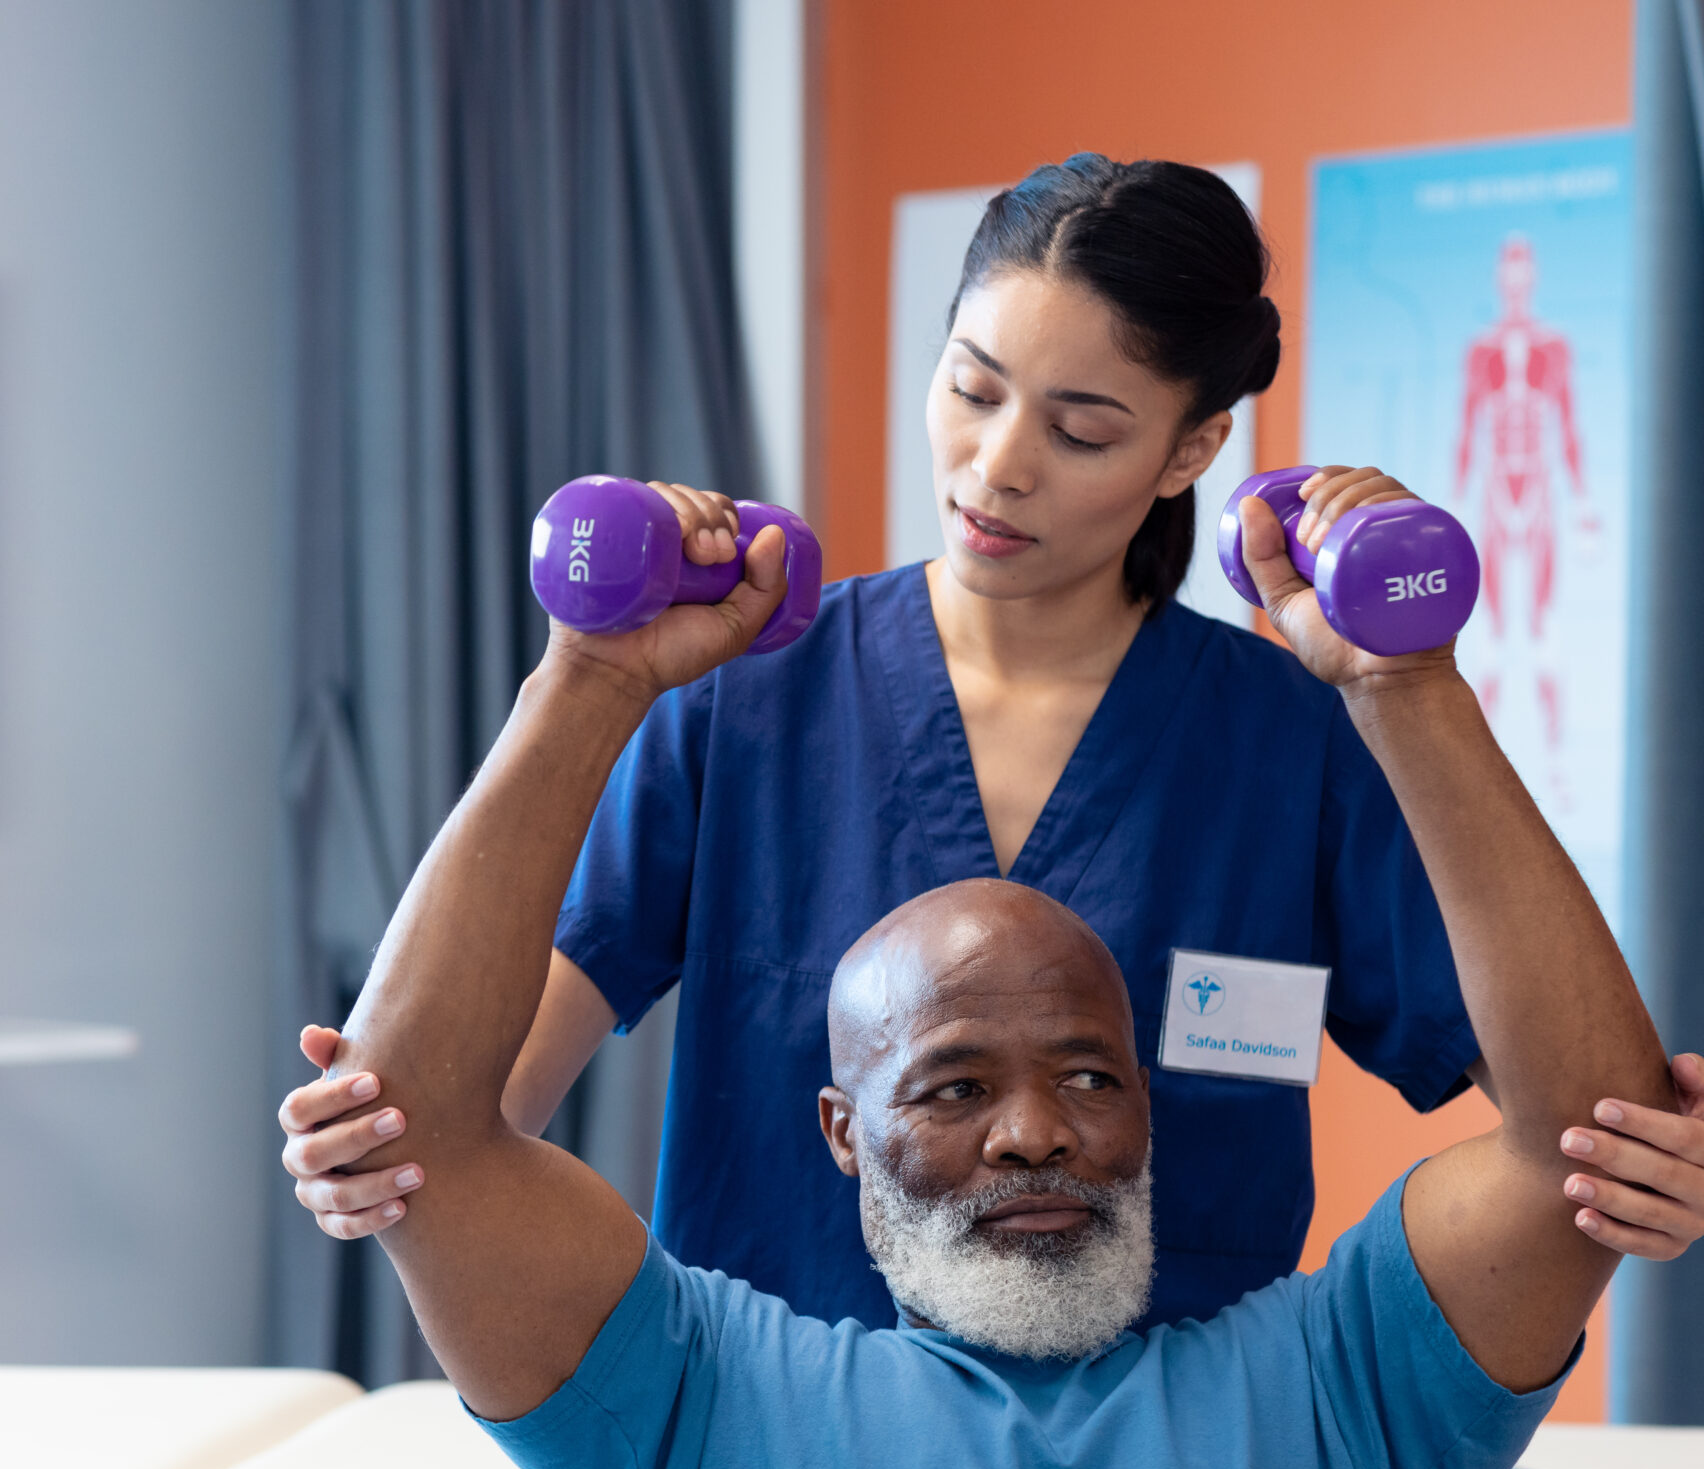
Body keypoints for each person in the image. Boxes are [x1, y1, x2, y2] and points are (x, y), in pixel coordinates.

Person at [282, 483, 1701, 1469]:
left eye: (1089, 1073)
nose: (1037, 1131)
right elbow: (419, 1127)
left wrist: (1410, 687)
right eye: (953, 1088)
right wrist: (588, 675)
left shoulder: (1339, 1397)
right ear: (841, 1133)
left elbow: (1587, 1133)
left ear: (1149, 1106)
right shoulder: (703, 1409)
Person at [282, 154, 1701, 1326]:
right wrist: (369, 1142)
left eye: (1083, 430)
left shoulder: (1291, 741)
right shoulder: (742, 707)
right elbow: (461, 1102)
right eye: (971, 387)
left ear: (1191, 450)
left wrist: (1414, 684)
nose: (998, 464)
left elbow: (1582, 1126)